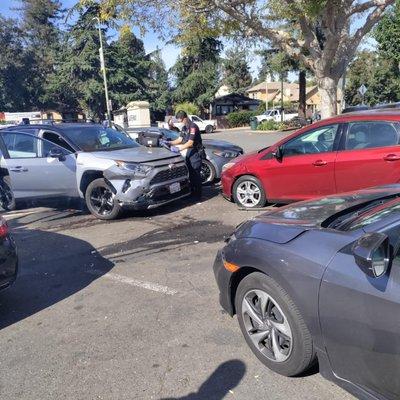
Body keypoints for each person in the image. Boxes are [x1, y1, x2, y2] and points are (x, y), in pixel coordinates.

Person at [169, 110, 203, 200]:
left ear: (185, 118)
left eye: (180, 120)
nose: (180, 122)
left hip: (195, 152)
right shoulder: (184, 128)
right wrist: (169, 143)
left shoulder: (193, 127)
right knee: (190, 174)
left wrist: (179, 149)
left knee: (196, 174)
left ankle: (198, 195)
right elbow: (179, 139)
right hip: (189, 153)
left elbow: (190, 143)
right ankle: (192, 193)